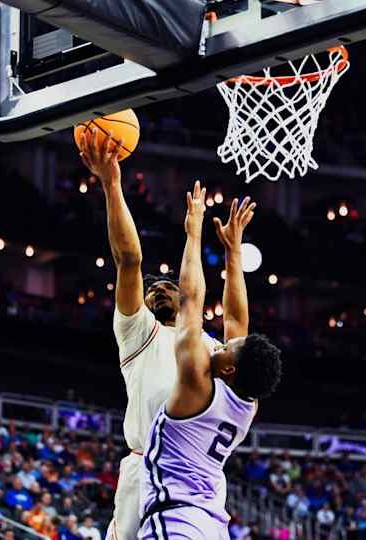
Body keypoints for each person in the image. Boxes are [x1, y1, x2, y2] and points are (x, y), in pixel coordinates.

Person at [78, 130, 249, 540]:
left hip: (197, 481)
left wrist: (233, 254)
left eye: (167, 284)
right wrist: (112, 184)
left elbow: (238, 327)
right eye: (153, 287)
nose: (158, 286)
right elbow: (130, 259)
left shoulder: (208, 344)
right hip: (148, 473)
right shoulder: (138, 331)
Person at [136, 182, 282, 540]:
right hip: (212, 524)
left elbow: (190, 302)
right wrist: (233, 254)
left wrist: (194, 231)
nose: (220, 346)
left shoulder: (196, 383)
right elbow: (236, 321)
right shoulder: (246, 401)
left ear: (230, 368)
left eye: (226, 349)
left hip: (178, 521)